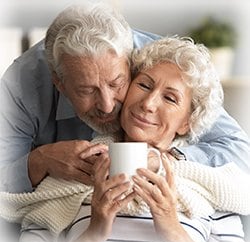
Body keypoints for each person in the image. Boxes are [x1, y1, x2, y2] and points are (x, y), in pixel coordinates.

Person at [2, 36, 249, 242]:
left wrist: (171, 227)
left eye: (170, 98)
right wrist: (95, 231)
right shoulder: (70, 175)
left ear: (187, 123)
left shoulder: (215, 188)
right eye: (143, 85)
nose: (148, 103)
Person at [0, 3, 249, 197]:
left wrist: (169, 159)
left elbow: (240, 153)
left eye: (116, 83)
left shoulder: (158, 62)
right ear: (60, 83)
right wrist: (39, 161)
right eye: (87, 90)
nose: (107, 105)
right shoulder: (21, 85)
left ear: (131, 62)